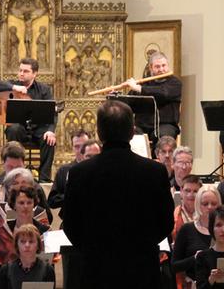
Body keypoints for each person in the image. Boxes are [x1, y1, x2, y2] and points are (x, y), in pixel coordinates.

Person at [63, 100, 175, 288]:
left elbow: (71, 224)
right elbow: (165, 223)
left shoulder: (80, 173)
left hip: (96, 270)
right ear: (132, 132)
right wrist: (142, 246)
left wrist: (93, 249)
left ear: (98, 132)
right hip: (142, 270)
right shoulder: (154, 171)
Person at [0, 58, 57, 182]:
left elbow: (53, 112)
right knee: (14, 129)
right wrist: (14, 87)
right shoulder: (13, 84)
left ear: (35, 74)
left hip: (38, 129)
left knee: (49, 140)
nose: (21, 73)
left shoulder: (44, 90)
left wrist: (51, 131)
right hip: (19, 128)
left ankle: (44, 179)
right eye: (20, 70)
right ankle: (13, 174)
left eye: (25, 71)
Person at [0, 169, 51, 289]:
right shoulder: (3, 231)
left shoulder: (46, 232)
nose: (25, 207)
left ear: (34, 204)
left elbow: (49, 271)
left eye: (29, 202)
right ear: (13, 205)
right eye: (21, 203)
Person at [123, 52, 182, 144]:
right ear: (151, 68)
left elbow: (163, 93)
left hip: (166, 125)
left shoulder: (175, 83)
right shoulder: (144, 83)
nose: (161, 69)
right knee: (127, 134)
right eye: (157, 67)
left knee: (162, 137)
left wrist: (139, 88)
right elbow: (128, 102)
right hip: (142, 126)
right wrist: (114, 96)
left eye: (164, 65)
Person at [173, 185, 220, 287]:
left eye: (214, 204)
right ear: (198, 205)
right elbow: (174, 266)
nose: (210, 207)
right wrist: (194, 258)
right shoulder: (187, 229)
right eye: (205, 204)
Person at [0, 225, 56, 289]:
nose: (27, 245)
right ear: (17, 245)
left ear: (38, 245)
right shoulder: (6, 270)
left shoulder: (48, 270)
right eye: (23, 241)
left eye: (31, 241)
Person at [47, 129, 90, 209]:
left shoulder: (99, 169)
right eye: (77, 146)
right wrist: (71, 195)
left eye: (84, 146)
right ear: (72, 148)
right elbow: (52, 201)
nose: (81, 150)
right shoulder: (64, 170)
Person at [172, 175, 203, 241]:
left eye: (195, 191)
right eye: (187, 191)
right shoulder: (172, 215)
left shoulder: (206, 214)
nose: (191, 195)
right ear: (181, 191)